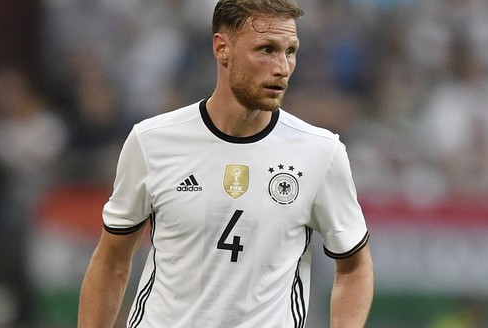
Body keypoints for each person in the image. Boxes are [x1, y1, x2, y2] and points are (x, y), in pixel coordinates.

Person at [78, 1, 373, 327]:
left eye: (290, 51)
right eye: (266, 49)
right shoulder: (152, 142)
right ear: (222, 48)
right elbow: (112, 261)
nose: (282, 66)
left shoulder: (321, 152)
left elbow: (354, 265)